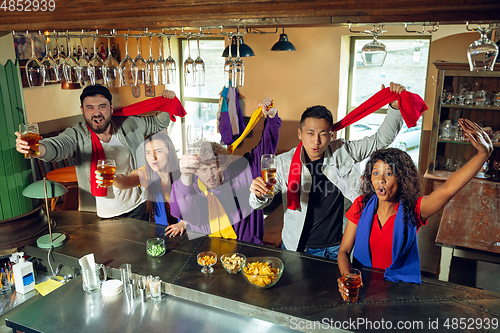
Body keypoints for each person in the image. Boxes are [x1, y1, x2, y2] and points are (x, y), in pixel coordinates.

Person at [249, 83, 407, 259]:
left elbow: (380, 140)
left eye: (323, 134)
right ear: (300, 134)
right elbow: (259, 203)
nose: (316, 141)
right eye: (310, 133)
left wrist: (394, 108)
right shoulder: (283, 162)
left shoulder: (344, 151)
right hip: (296, 247)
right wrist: (259, 193)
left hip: (338, 248)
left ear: (332, 135)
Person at [337, 119, 493, 289]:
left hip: (399, 291)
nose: (380, 180)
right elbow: (344, 251)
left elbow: (448, 189)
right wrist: (348, 277)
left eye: (388, 174)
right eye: (376, 173)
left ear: (402, 179)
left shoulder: (414, 209)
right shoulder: (361, 205)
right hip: (362, 287)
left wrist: (482, 155)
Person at [15, 84, 178, 220]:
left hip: (138, 207)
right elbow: (57, 146)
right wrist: (37, 149)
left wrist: (169, 102)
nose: (97, 112)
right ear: (82, 110)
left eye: (102, 106)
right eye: (90, 107)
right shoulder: (77, 135)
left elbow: (157, 123)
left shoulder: (129, 124)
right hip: (100, 215)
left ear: (111, 108)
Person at [167, 98, 281, 244]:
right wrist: (184, 222)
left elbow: (264, 148)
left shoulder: (241, 173)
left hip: (244, 246)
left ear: (224, 164)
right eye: (203, 169)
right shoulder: (191, 186)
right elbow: (181, 210)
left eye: (215, 167)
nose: (210, 175)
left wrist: (272, 117)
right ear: (195, 171)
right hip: (208, 248)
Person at [108, 130, 182, 226]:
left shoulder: (183, 172)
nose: (153, 157)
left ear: (170, 151)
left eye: (158, 151)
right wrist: (112, 177)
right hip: (164, 232)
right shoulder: (145, 173)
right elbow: (125, 181)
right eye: (148, 153)